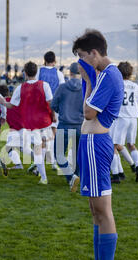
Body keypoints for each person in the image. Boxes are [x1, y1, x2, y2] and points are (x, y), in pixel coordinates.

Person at [71, 29, 124, 260]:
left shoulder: (109, 75)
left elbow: (89, 112)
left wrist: (89, 82)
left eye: (83, 56)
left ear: (94, 53)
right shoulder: (104, 74)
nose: (82, 61)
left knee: (103, 210)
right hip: (91, 144)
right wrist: (89, 80)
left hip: (96, 144)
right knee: (95, 210)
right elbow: (87, 109)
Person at [7, 61, 54, 185]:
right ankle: (40, 172)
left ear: (25, 73)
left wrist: (2, 101)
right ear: (36, 72)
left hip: (31, 123)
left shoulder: (20, 88)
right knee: (42, 147)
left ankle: (43, 177)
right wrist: (53, 117)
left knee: (38, 149)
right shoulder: (45, 85)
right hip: (45, 121)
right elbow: (51, 103)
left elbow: (12, 105)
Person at [51, 62, 84, 192]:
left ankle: (71, 177)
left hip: (64, 124)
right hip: (80, 126)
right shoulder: (85, 88)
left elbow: (53, 105)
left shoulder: (62, 87)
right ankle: (75, 177)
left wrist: (63, 111)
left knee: (58, 155)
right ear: (81, 73)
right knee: (77, 155)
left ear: (69, 73)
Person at [109, 62, 138, 184]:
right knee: (131, 144)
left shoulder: (117, 85)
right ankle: (137, 166)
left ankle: (116, 175)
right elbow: (136, 101)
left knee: (112, 146)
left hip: (121, 117)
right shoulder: (135, 86)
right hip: (133, 117)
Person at [37, 51, 65, 170]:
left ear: (44, 60)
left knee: (41, 135)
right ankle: (53, 162)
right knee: (54, 133)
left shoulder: (39, 72)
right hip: (55, 106)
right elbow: (62, 91)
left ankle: (40, 164)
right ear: (54, 61)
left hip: (40, 107)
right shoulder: (59, 73)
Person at [0, 84, 24, 170]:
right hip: (25, 126)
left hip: (16, 128)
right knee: (21, 147)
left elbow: (0, 117)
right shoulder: (15, 100)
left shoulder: (1, 103)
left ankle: (22, 165)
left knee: (10, 148)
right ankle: (36, 163)